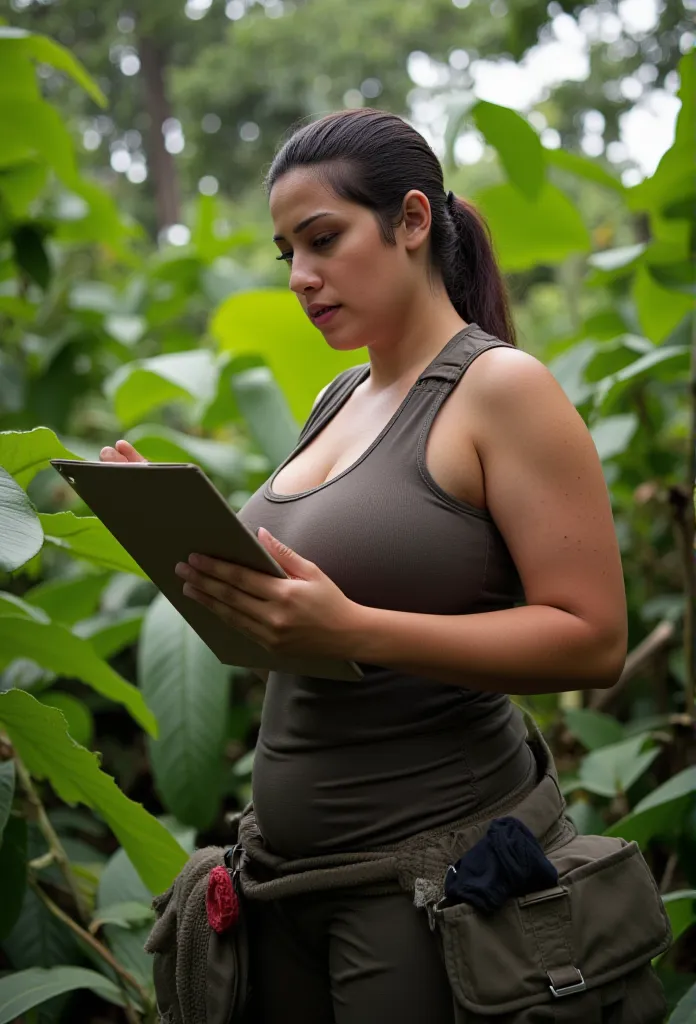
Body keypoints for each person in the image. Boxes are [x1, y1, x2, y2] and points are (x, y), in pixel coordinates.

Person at [102, 110, 667, 1024]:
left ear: (411, 221)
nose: (300, 277)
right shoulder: (341, 396)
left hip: (421, 885)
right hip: (280, 882)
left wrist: (354, 629)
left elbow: (592, 638)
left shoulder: (500, 389)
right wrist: (202, 560)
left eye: (323, 239)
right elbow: (315, 609)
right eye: (285, 250)